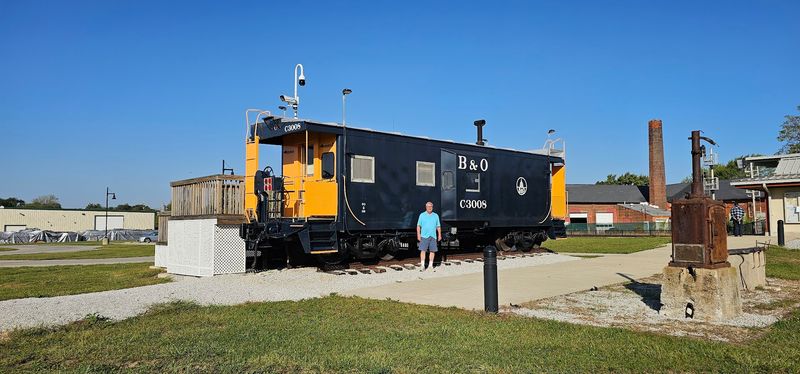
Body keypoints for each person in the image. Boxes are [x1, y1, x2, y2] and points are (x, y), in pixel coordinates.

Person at [417, 201, 442, 271]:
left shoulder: (436, 215)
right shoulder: (422, 215)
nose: (429, 208)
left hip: (433, 236)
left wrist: (439, 235)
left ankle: (430, 266)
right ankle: (422, 265)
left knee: (432, 251)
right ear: (426, 207)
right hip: (424, 236)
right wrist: (418, 235)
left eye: (431, 207)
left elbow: (438, 226)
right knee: (423, 250)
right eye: (428, 207)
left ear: (432, 207)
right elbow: (418, 226)